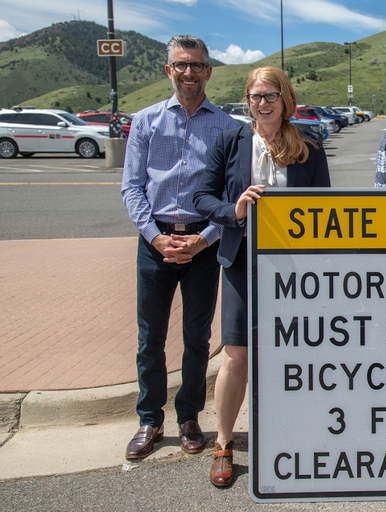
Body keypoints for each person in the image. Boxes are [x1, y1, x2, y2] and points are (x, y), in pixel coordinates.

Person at [193, 66, 331, 488]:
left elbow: (326, 209)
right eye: (256, 96)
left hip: (295, 268)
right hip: (241, 262)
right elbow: (201, 196)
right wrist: (232, 210)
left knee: (296, 354)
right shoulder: (231, 141)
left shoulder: (309, 145)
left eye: (271, 95)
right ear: (247, 101)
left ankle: (294, 437)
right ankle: (223, 443)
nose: (263, 103)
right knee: (237, 356)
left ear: (285, 99)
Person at [121, 35, 239, 460]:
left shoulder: (228, 128)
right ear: (169, 70)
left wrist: (201, 239)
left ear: (208, 71)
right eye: (180, 65)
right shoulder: (146, 121)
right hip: (154, 242)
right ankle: (149, 419)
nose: (189, 72)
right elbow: (132, 187)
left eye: (196, 65)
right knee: (150, 336)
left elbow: (228, 195)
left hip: (203, 246)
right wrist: (155, 236)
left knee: (196, 337)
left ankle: (189, 417)